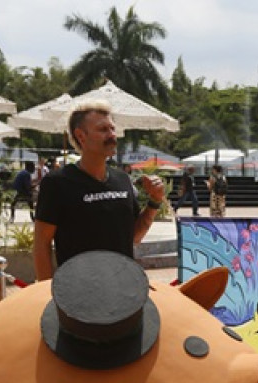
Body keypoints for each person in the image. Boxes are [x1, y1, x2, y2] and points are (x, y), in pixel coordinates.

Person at [34, 101, 165, 281]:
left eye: (112, 129)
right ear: (81, 136)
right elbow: (42, 244)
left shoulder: (122, 179)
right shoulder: (57, 182)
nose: (112, 135)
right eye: (103, 129)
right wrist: (46, 293)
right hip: (78, 293)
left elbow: (133, 237)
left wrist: (154, 202)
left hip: (124, 289)